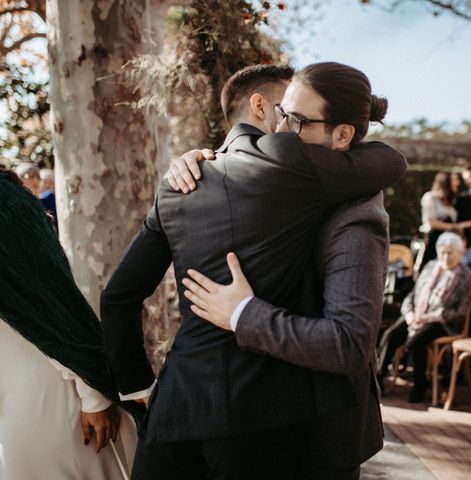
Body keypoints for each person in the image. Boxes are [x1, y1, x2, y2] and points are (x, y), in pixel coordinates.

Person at [101, 63, 406, 479]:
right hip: (258, 416)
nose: (284, 129)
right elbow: (390, 160)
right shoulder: (250, 168)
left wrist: (140, 388)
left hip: (185, 405)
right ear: (262, 108)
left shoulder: (184, 185)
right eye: (283, 114)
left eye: (295, 119)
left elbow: (118, 296)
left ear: (343, 133)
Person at [0, 167, 138, 480]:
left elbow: (52, 300)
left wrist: (92, 394)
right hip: (26, 399)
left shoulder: (6, 202)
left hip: (46, 388)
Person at [376, 232, 471, 403]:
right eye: (442, 252)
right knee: (390, 335)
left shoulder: (466, 276)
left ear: (459, 254)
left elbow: (461, 312)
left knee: (416, 341)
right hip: (417, 315)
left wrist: (431, 317)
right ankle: (378, 380)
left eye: (450, 253)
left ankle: (420, 384)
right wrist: (410, 314)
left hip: (442, 322)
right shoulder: (430, 266)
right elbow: (411, 296)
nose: (445, 257)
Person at [420, 172, 471, 262]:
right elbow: (431, 222)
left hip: (449, 242)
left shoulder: (452, 201)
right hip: (433, 241)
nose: (458, 183)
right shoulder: (431, 198)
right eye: (454, 180)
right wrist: (458, 226)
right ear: (445, 182)